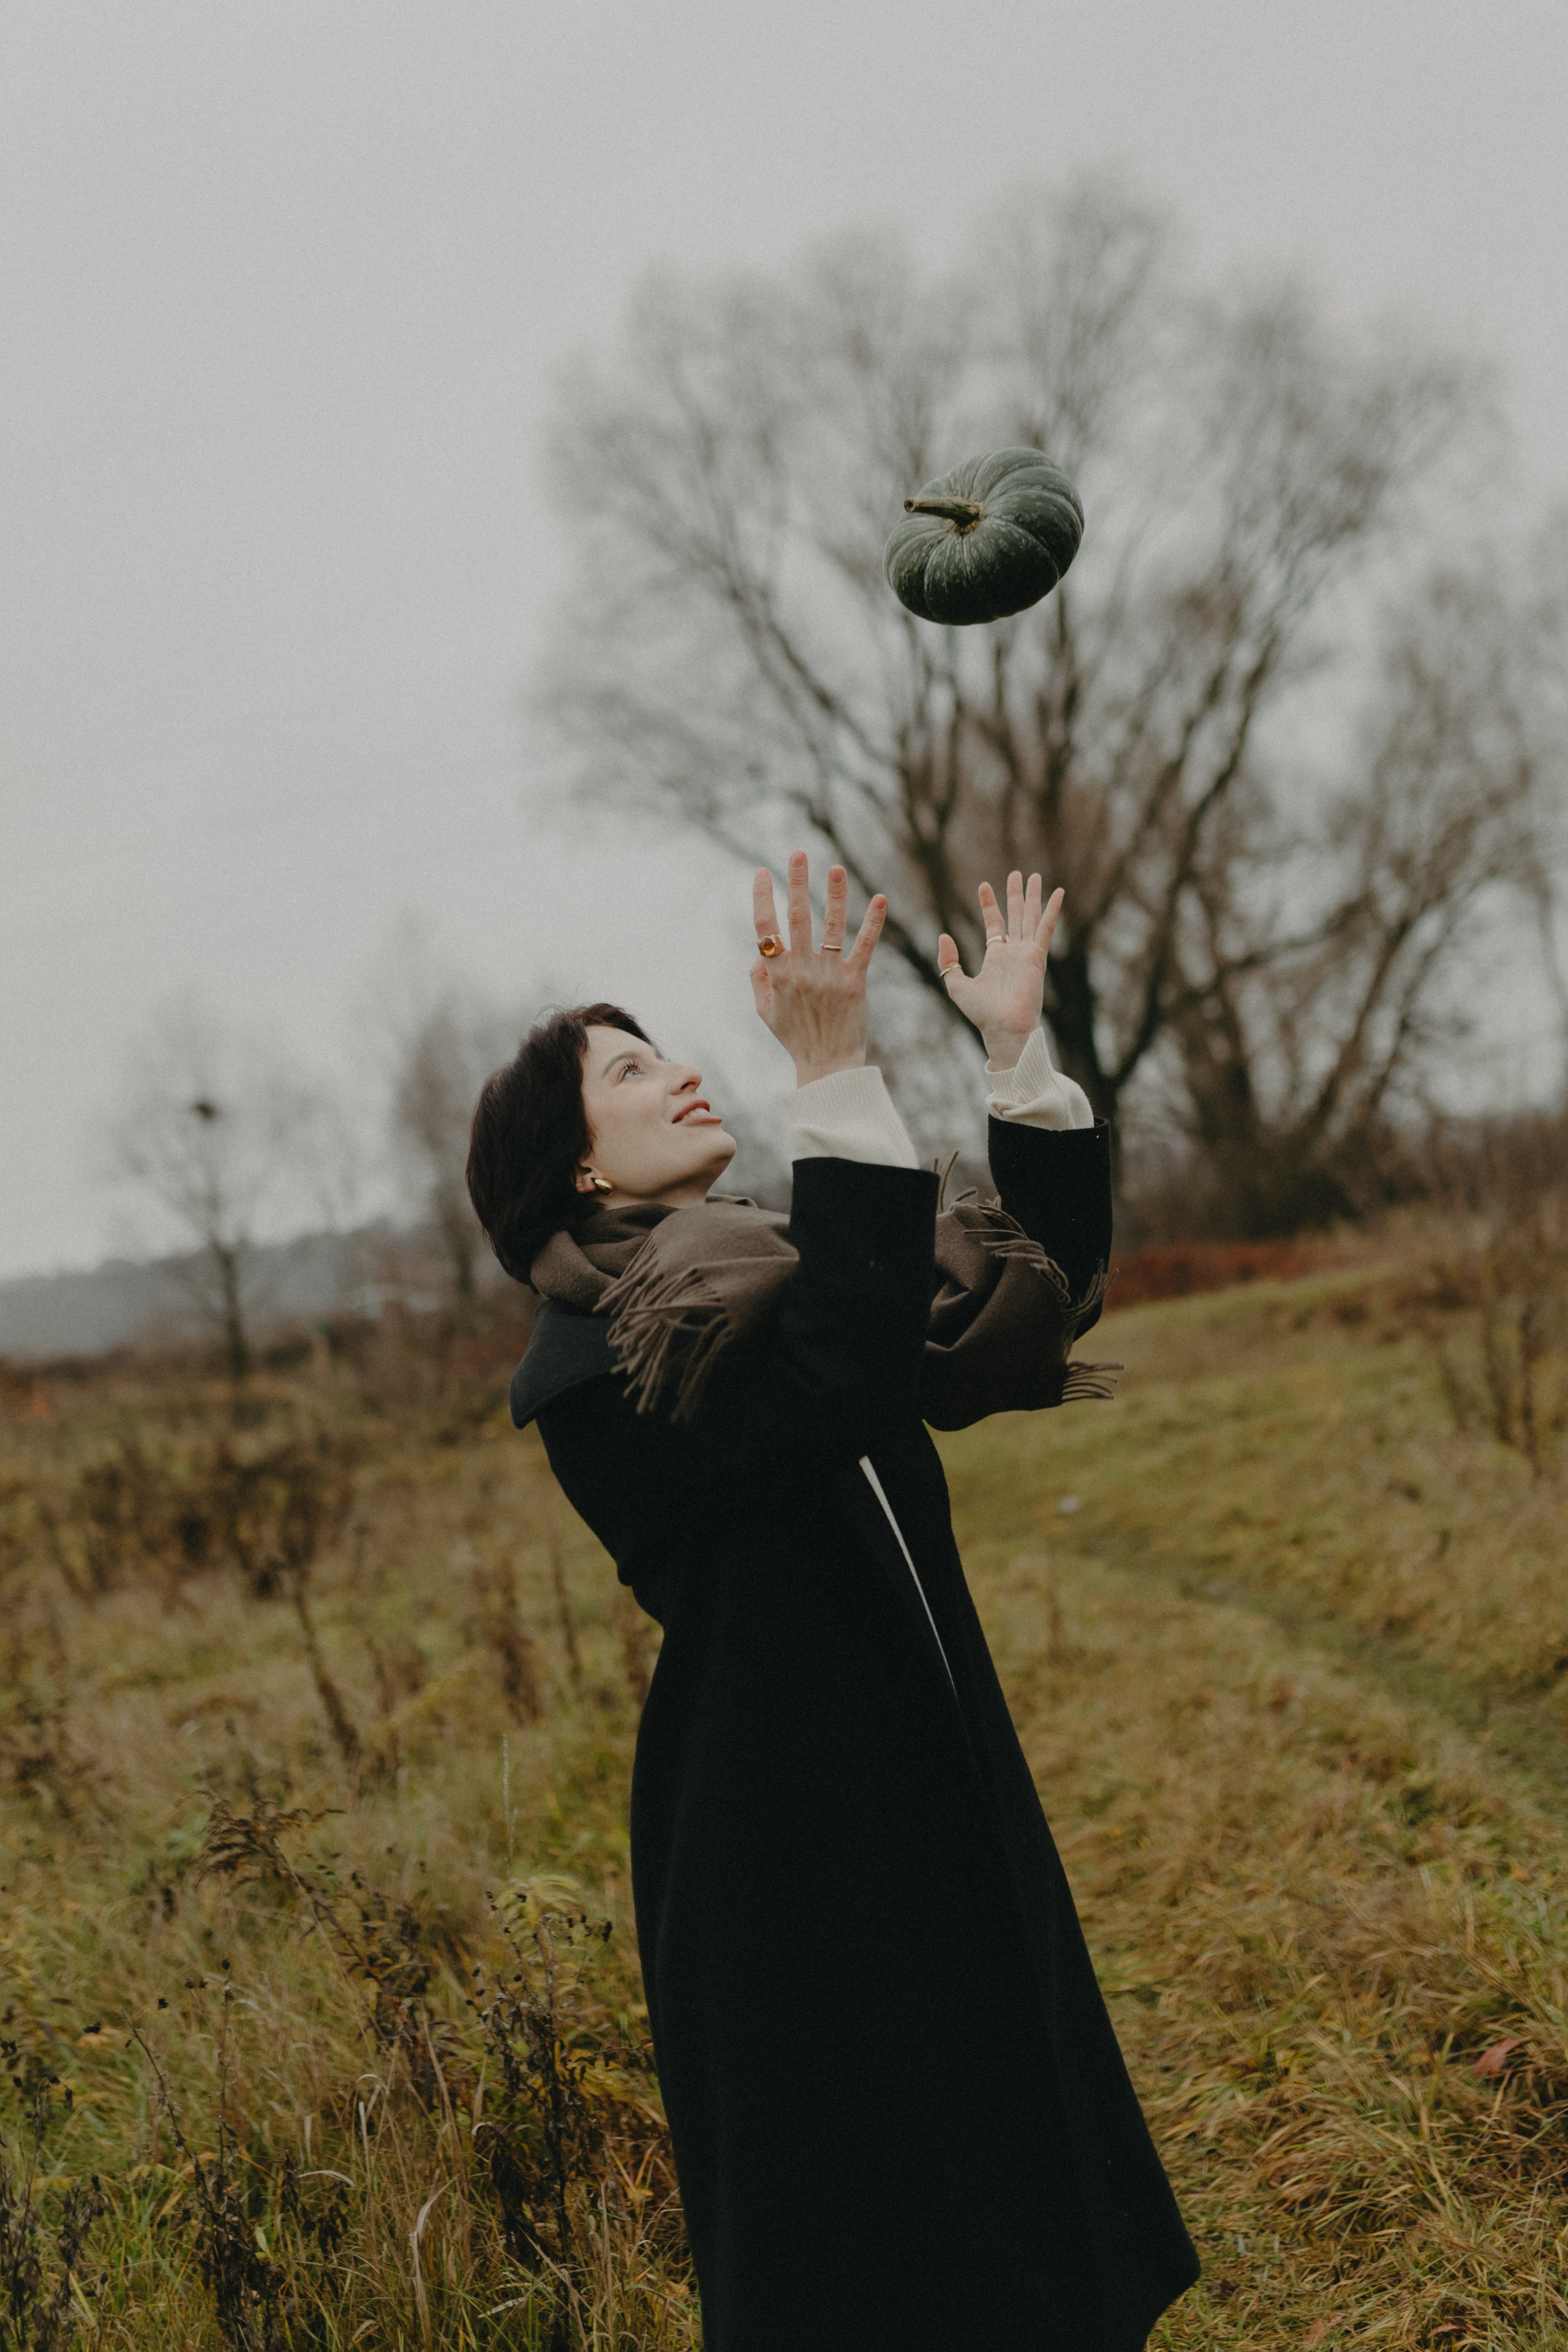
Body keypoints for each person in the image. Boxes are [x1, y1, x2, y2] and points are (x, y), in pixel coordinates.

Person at [466, 853, 1199, 2352]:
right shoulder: (600, 1367)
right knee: (880, 2249)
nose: (679, 1072)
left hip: (921, 1769)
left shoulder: (762, 1265)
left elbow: (1028, 1292)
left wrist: (1013, 1056)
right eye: (627, 1072)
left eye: (663, 1050)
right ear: (576, 1170)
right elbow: (840, 1382)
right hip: (788, 1852)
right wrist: (831, 1075)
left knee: (1012, 2179)